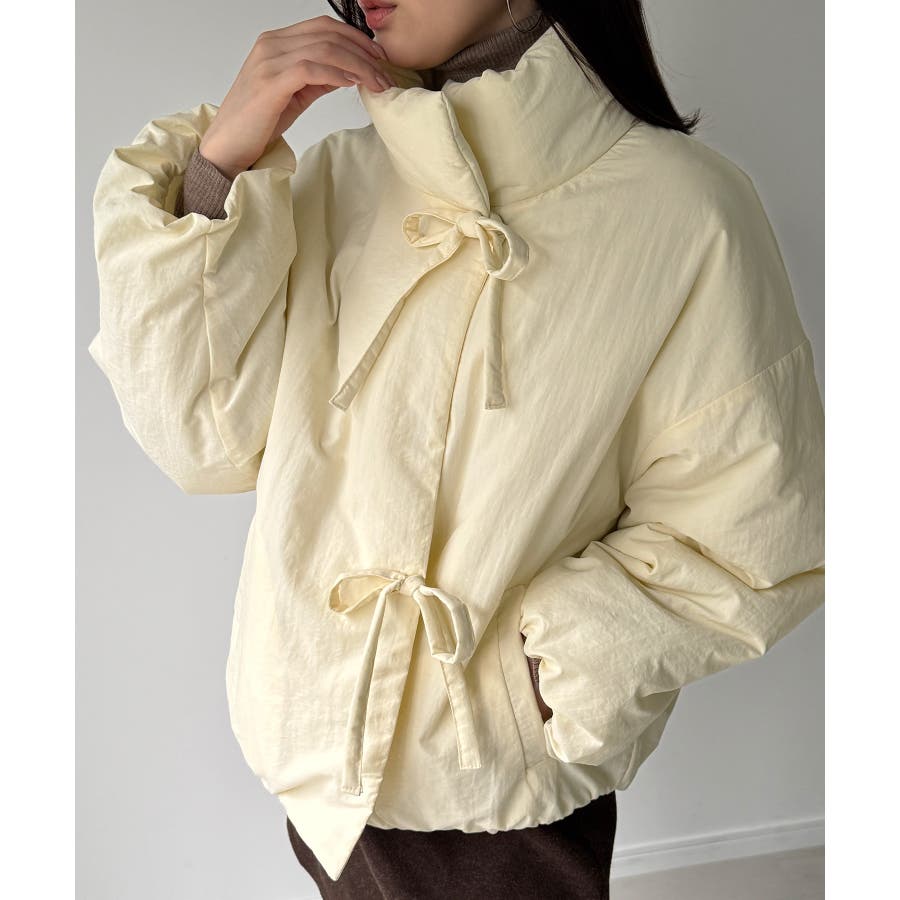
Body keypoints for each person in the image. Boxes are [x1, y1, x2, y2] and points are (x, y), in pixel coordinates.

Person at [87, 1, 825, 897]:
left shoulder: (685, 208)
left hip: (502, 802)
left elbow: (751, 525)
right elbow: (203, 438)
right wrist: (218, 167)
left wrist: (541, 678)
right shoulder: (337, 179)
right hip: (322, 775)